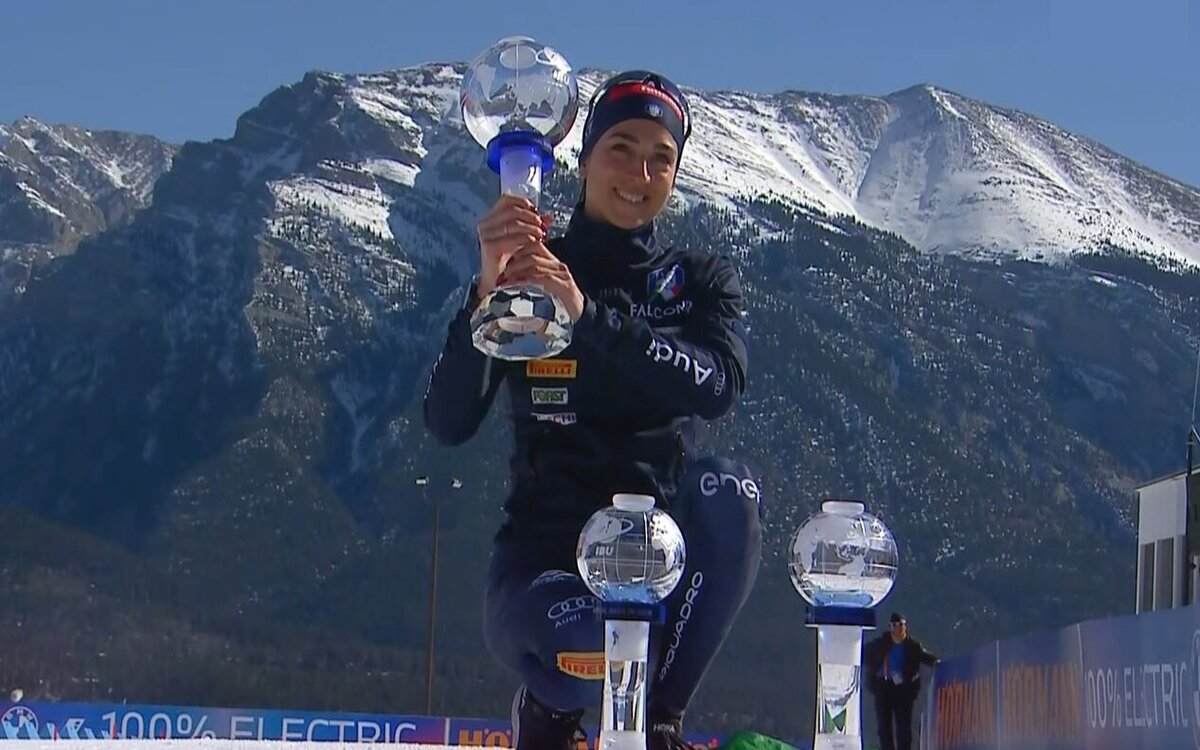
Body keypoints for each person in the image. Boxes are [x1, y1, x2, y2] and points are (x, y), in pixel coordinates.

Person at [422, 70, 762, 750]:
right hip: (545, 564)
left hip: (659, 553)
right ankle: (548, 712)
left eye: (661, 158)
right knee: (602, 647)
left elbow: (717, 386)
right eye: (621, 149)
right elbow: (449, 421)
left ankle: (658, 721)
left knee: (729, 492)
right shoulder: (531, 269)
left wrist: (588, 318)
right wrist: (486, 292)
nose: (640, 173)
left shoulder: (698, 280)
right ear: (583, 161)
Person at [863, 612, 941, 750]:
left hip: (903, 689)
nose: (897, 628)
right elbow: (864, 653)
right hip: (883, 687)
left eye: (900, 625)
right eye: (894, 625)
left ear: (905, 626)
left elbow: (925, 656)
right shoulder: (881, 643)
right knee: (884, 727)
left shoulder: (912, 646)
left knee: (904, 726)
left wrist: (936, 662)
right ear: (890, 627)